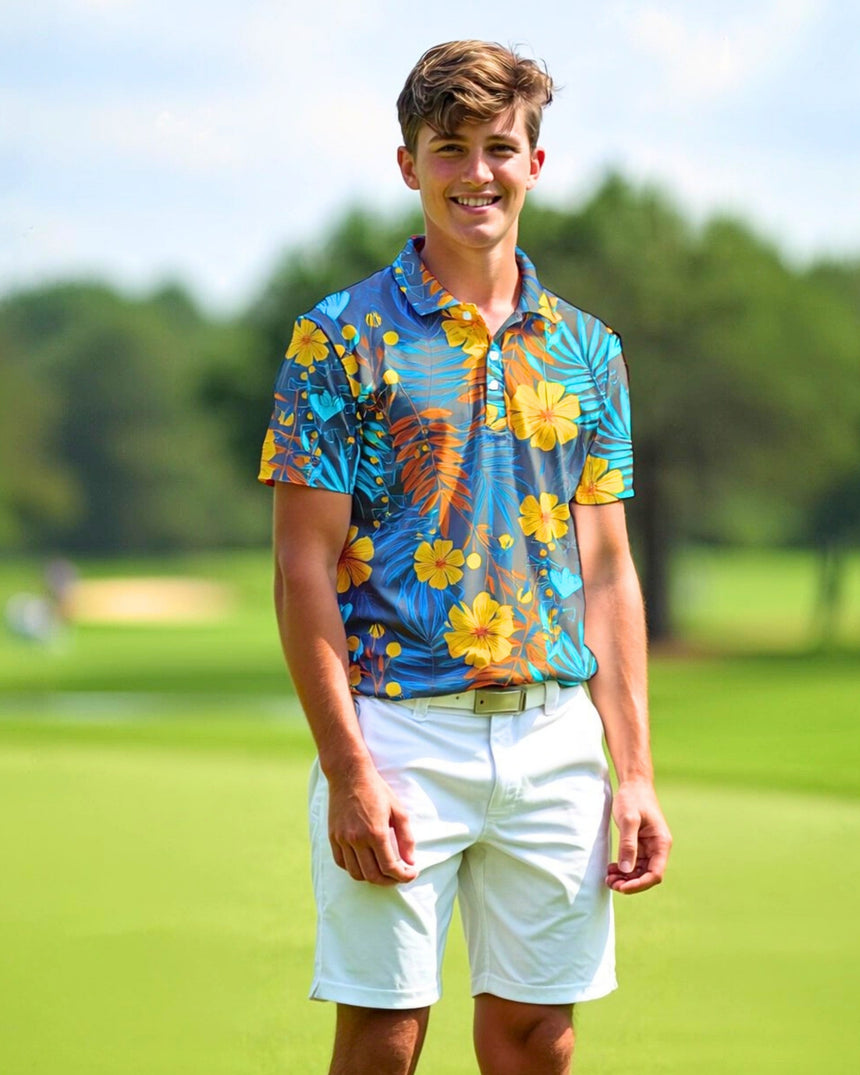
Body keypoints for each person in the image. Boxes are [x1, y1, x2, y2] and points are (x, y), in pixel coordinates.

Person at [259, 39, 672, 1075]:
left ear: (535, 162)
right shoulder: (337, 339)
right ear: (409, 165)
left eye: (499, 147)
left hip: (552, 741)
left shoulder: (588, 350)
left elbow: (608, 570)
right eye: (450, 148)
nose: (475, 173)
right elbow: (301, 568)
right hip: (397, 735)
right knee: (384, 1037)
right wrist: (350, 771)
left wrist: (635, 774)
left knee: (539, 1038)